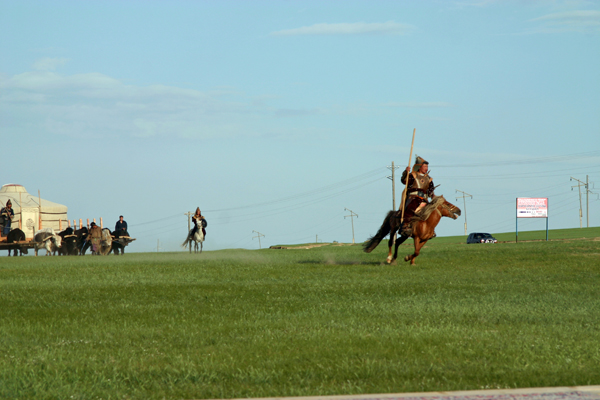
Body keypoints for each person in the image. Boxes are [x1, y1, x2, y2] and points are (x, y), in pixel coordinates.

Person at [399, 156, 435, 237]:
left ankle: (430, 229)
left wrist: (432, 196)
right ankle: (405, 225)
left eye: (427, 166)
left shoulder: (428, 178)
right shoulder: (413, 175)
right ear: (419, 167)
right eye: (425, 166)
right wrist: (406, 172)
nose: (426, 168)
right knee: (411, 207)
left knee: (431, 210)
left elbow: (430, 190)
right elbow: (405, 181)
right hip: (413, 197)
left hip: (424, 199)